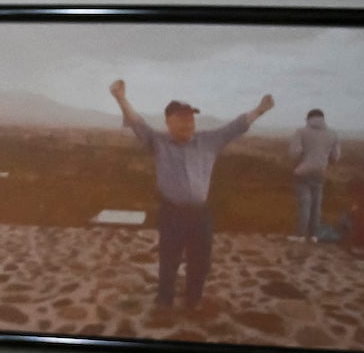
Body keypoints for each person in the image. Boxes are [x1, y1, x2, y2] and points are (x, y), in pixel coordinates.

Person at [110, 80, 274, 310]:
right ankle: (164, 300)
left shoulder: (208, 141)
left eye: (191, 117)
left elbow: (235, 127)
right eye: (182, 117)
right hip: (172, 212)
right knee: (169, 259)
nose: (189, 121)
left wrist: (259, 110)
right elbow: (137, 123)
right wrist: (120, 98)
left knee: (201, 261)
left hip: (200, 214)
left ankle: (193, 299)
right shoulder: (158, 142)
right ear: (169, 121)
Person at [285, 108, 342, 242]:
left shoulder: (301, 132)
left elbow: (294, 153)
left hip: (303, 172)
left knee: (305, 204)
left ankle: (300, 236)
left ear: (308, 119)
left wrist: (298, 164)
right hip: (320, 173)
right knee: (316, 206)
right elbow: (335, 157)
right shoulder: (333, 134)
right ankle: (314, 236)